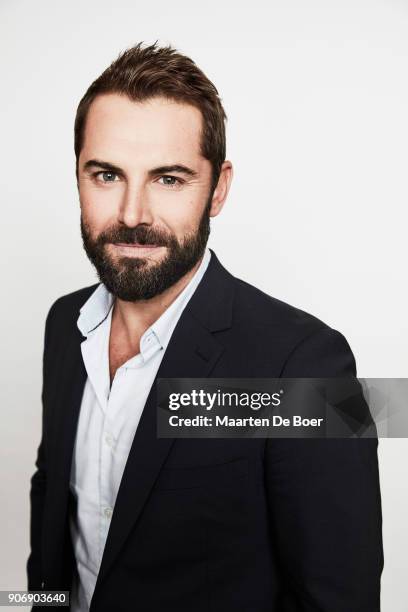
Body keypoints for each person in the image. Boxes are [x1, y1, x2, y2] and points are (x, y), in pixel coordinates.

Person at [27, 41, 383, 612]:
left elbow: (338, 600)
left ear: (218, 188)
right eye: (107, 174)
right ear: (77, 177)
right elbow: (53, 509)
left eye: (169, 179)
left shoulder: (307, 363)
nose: (132, 214)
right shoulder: (62, 326)